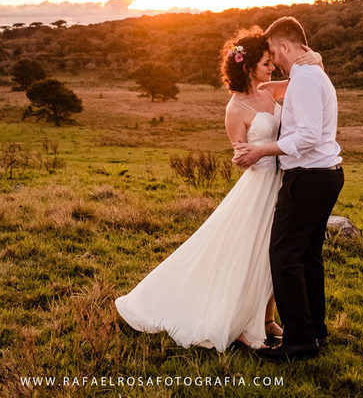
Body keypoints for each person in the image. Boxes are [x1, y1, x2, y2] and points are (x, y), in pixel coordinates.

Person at [114, 27, 321, 351]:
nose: (272, 68)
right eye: (266, 63)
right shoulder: (235, 109)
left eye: (271, 62)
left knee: (272, 257)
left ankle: (266, 320)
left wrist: (314, 59)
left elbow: (307, 85)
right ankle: (236, 321)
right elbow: (241, 154)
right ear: (248, 66)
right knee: (251, 254)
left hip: (283, 183)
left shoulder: (269, 91)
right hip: (259, 186)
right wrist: (247, 156)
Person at [233, 16, 343, 361]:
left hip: (309, 177)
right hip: (322, 175)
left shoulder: (307, 79)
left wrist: (262, 149)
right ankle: (315, 333)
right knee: (308, 257)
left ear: (284, 47)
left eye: (274, 55)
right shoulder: (306, 75)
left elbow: (308, 136)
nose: (275, 64)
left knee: (284, 256)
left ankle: (298, 343)